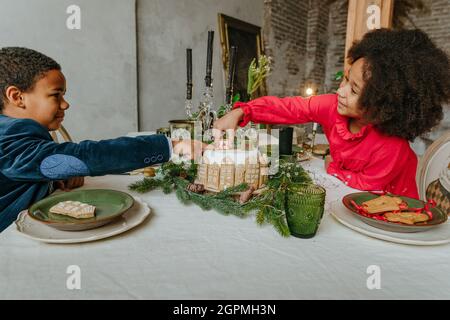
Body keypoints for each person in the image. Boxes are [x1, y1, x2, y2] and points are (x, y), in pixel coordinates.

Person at [214, 29, 450, 199]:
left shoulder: (392, 148)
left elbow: (365, 187)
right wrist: (243, 111)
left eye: (354, 89)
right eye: (346, 78)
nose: (341, 91)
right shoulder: (331, 106)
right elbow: (289, 107)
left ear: (383, 105)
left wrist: (332, 167)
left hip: (392, 213)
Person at [0, 47, 201, 232]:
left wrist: (54, 178)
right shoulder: (9, 138)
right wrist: (171, 145)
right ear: (17, 97)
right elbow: (85, 156)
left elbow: (31, 168)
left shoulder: (12, 131)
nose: (65, 104)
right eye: (56, 95)